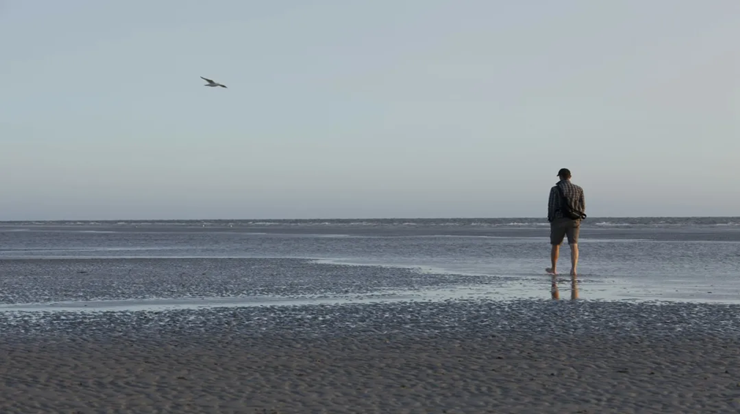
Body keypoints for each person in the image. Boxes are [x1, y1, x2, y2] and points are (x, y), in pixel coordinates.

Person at [546, 168, 586, 278]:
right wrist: (578, 218)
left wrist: (551, 218)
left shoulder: (555, 189)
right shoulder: (579, 189)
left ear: (560, 176)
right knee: (574, 245)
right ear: (570, 176)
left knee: (556, 245)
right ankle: (573, 269)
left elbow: (551, 205)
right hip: (574, 220)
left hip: (559, 219)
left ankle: (554, 269)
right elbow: (582, 207)